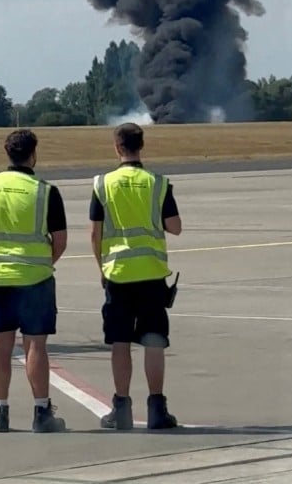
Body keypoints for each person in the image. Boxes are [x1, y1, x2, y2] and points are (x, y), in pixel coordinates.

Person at [0, 129, 68, 434]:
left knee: (0, 342)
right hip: (35, 277)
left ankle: (0, 412)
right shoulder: (45, 191)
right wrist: (42, 262)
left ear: (7, 153)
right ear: (33, 154)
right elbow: (60, 241)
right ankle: (41, 412)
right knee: (35, 344)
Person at [90, 122, 183, 430]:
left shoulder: (103, 184)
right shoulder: (158, 183)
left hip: (118, 273)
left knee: (120, 341)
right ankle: (157, 407)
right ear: (141, 146)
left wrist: (102, 269)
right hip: (152, 274)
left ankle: (121, 407)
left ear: (117, 147)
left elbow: (95, 233)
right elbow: (175, 226)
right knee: (153, 339)